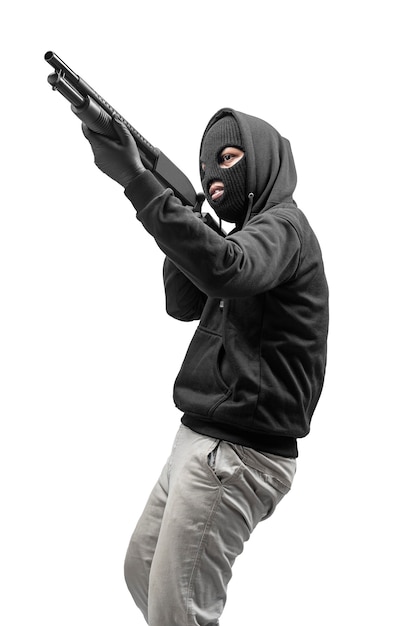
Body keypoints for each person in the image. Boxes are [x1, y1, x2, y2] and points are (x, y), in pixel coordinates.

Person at [82, 107, 329, 626]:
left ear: (262, 163)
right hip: (199, 437)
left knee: (179, 613)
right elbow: (182, 301)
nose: (216, 179)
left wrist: (138, 182)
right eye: (206, 170)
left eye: (229, 159)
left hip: (239, 451)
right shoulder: (242, 238)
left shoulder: (282, 229)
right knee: (142, 571)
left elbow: (225, 270)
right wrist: (185, 219)